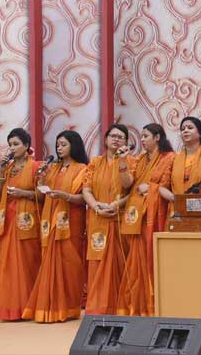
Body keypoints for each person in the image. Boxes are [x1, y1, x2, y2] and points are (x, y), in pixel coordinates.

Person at [22, 130, 89, 323]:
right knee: (49, 262)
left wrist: (65, 196)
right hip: (50, 218)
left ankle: (69, 308)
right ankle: (49, 308)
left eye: (63, 145)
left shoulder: (83, 169)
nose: (59, 148)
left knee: (70, 264)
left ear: (74, 146)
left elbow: (83, 197)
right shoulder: (52, 168)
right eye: (58, 145)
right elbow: (43, 195)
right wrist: (42, 180)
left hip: (71, 220)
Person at [117, 123, 176, 316]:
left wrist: (150, 188)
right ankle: (138, 306)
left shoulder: (169, 158)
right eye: (141, 136)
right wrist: (122, 161)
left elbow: (167, 186)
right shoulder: (140, 159)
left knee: (151, 259)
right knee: (136, 262)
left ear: (157, 137)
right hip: (137, 217)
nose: (141, 140)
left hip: (155, 215)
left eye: (145, 136)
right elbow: (128, 183)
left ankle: (153, 306)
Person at [82, 124, 135, 315]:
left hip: (119, 218)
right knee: (97, 265)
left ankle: (119, 308)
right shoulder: (95, 162)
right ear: (105, 139)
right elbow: (86, 189)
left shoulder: (132, 161)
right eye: (113, 136)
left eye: (121, 137)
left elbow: (130, 188)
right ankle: (98, 309)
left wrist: (115, 205)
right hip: (97, 218)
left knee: (120, 264)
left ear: (126, 142)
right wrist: (96, 207)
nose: (116, 139)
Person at [0, 128, 42, 320]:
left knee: (27, 263)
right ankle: (10, 308)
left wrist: (24, 194)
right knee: (8, 264)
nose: (12, 148)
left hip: (27, 219)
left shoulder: (37, 166)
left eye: (16, 144)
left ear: (26, 145)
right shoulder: (7, 167)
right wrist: (0, 170)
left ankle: (28, 307)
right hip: (8, 220)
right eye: (10, 145)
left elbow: (42, 195)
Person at [170, 117, 201, 196]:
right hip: (177, 202)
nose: (185, 130)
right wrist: (174, 198)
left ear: (199, 133)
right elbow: (165, 185)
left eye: (190, 128)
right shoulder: (174, 159)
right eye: (182, 129)